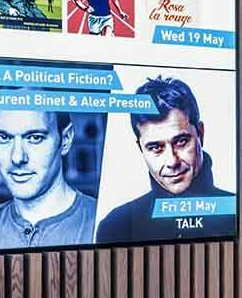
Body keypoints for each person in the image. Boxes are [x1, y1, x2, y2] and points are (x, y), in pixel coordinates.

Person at [97, 76, 234, 242]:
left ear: (201, 134)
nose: (172, 161)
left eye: (181, 142)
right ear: (141, 148)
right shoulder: (116, 226)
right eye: (156, 147)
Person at [0, 109, 97, 251]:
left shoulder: (104, 223)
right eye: (3, 137)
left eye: (35, 138)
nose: (17, 157)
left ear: (66, 139)